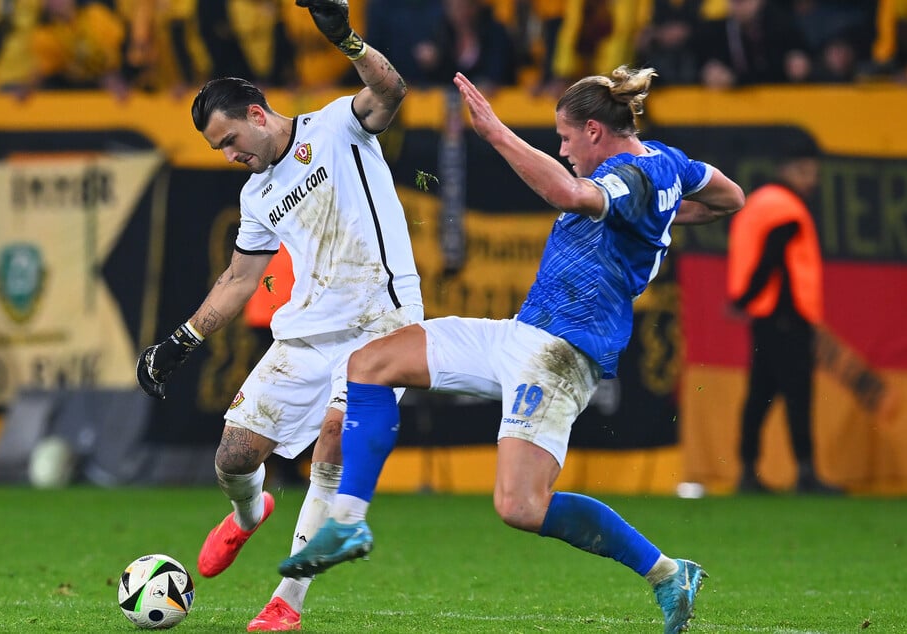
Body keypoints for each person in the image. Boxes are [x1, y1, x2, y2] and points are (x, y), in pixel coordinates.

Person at [279, 66, 746, 634]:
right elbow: (730, 196)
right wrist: (667, 218)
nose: (564, 148)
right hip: (522, 335)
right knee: (369, 363)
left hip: (563, 352)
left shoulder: (633, 175)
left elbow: (569, 192)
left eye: (567, 137)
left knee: (520, 507)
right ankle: (349, 521)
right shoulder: (670, 164)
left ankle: (667, 572)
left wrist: (497, 133)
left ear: (595, 130)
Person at [135, 0, 423, 630]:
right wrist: (180, 341)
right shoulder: (257, 192)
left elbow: (391, 89)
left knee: (334, 438)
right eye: (217, 149)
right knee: (234, 456)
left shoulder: (338, 127)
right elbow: (240, 277)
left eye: (230, 140)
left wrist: (345, 38)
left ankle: (285, 604)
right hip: (306, 333)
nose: (229, 154)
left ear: (257, 115)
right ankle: (247, 515)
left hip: (381, 324)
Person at [727, 137, 841, 495]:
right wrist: (746, 298)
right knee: (797, 395)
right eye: (805, 171)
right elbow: (771, 259)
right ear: (786, 171)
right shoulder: (785, 207)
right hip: (785, 315)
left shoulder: (761, 201)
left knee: (760, 394)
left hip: (767, 317)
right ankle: (805, 472)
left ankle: (748, 471)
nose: (812, 180)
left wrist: (744, 301)